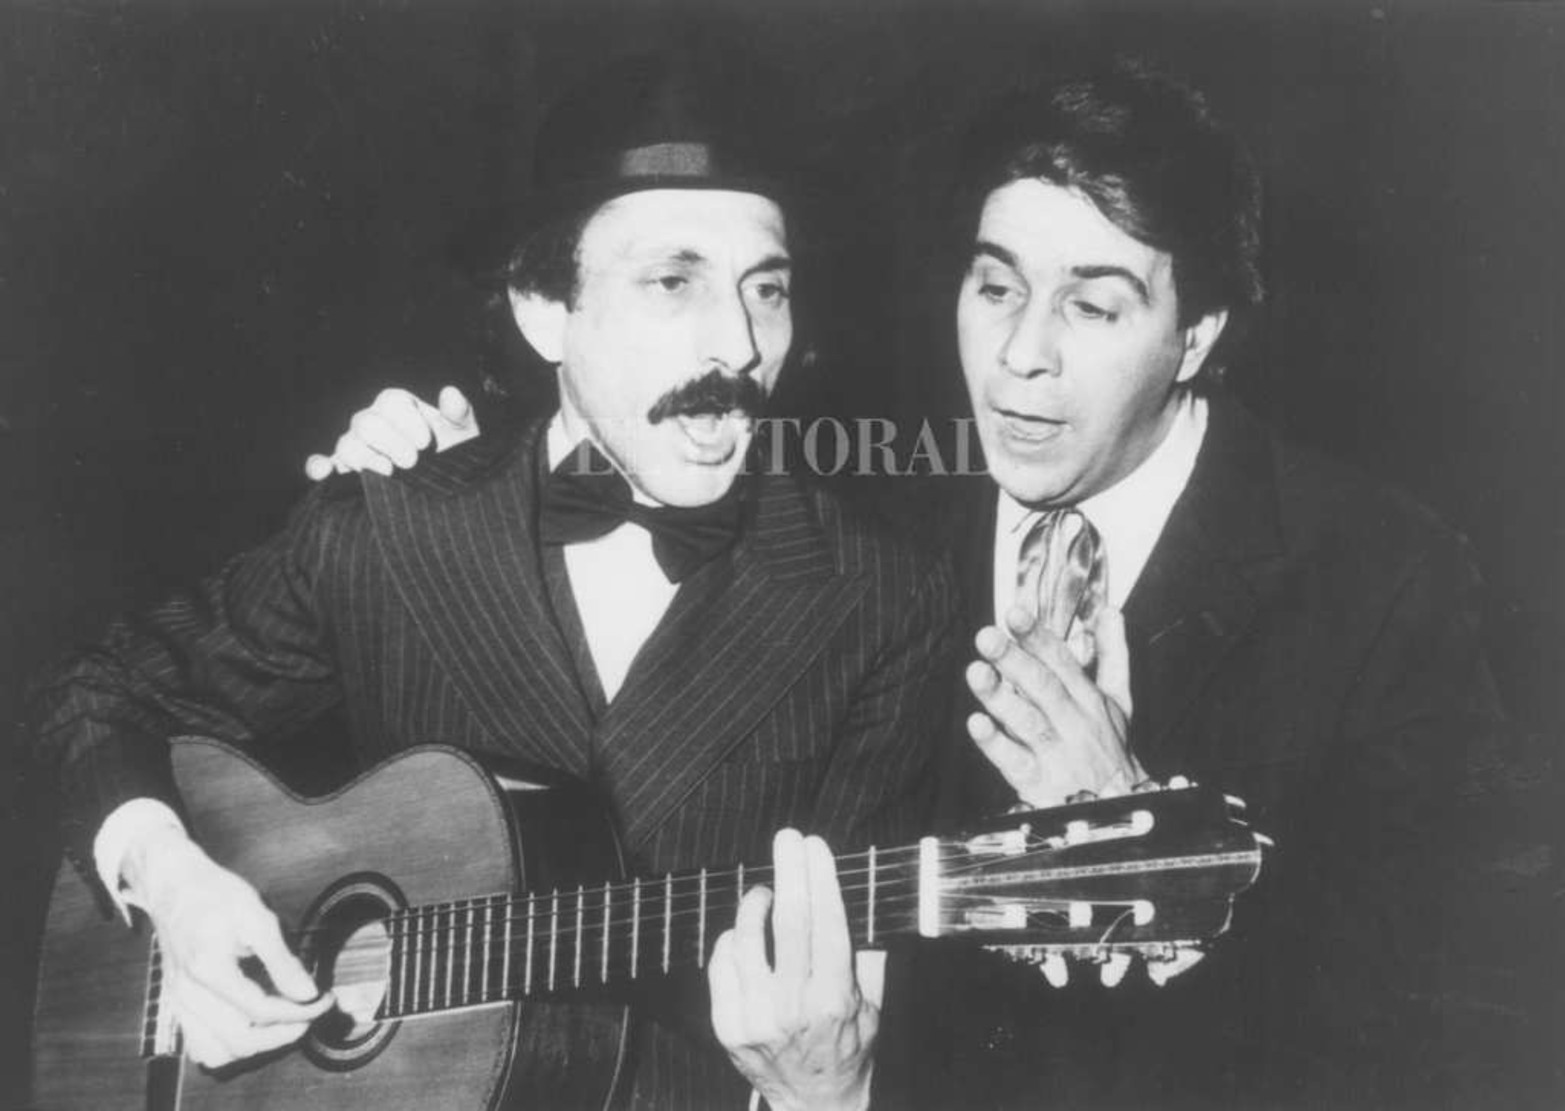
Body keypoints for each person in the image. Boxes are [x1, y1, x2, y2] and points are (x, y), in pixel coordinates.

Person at [330, 62, 1510, 1108]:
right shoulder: (870, 523)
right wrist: (461, 489)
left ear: (1194, 336)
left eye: (1092, 305)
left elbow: (1442, 1037)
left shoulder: (1383, 580)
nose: (1020, 355)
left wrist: (1134, 815)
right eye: (995, 288)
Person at [29, 52, 961, 1111]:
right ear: (541, 307)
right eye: (674, 281)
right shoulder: (390, 527)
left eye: (768, 289)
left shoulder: (882, 595)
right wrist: (175, 880)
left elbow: (850, 1001)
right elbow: (89, 695)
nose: (739, 344)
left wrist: (821, 1090)